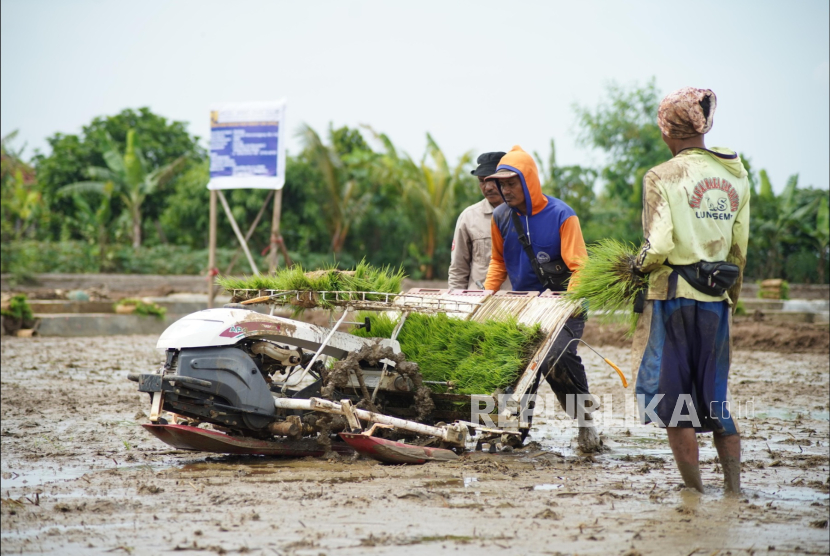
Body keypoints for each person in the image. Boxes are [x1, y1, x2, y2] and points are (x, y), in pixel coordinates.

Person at [632, 87, 750, 494]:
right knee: (716, 399)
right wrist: (730, 297)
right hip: (716, 303)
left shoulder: (662, 176)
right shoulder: (735, 173)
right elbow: (739, 246)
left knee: (674, 403)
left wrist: (637, 264)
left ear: (668, 130)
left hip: (674, 300)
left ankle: (695, 493)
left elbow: (659, 244)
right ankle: (733, 491)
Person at [484, 146, 601, 452]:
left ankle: (584, 420)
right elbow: (498, 262)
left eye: (511, 183)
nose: (505, 190)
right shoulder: (501, 217)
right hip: (524, 307)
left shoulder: (562, 215)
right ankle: (516, 430)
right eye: (501, 184)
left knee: (554, 357)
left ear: (528, 181)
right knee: (517, 365)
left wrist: (565, 301)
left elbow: (580, 266)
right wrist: (487, 294)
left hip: (566, 308)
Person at [448, 151, 511, 291]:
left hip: (518, 303)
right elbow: (458, 269)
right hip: (478, 303)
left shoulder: (525, 214)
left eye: (493, 180)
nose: (487, 187)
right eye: (482, 181)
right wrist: (455, 304)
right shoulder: (469, 217)